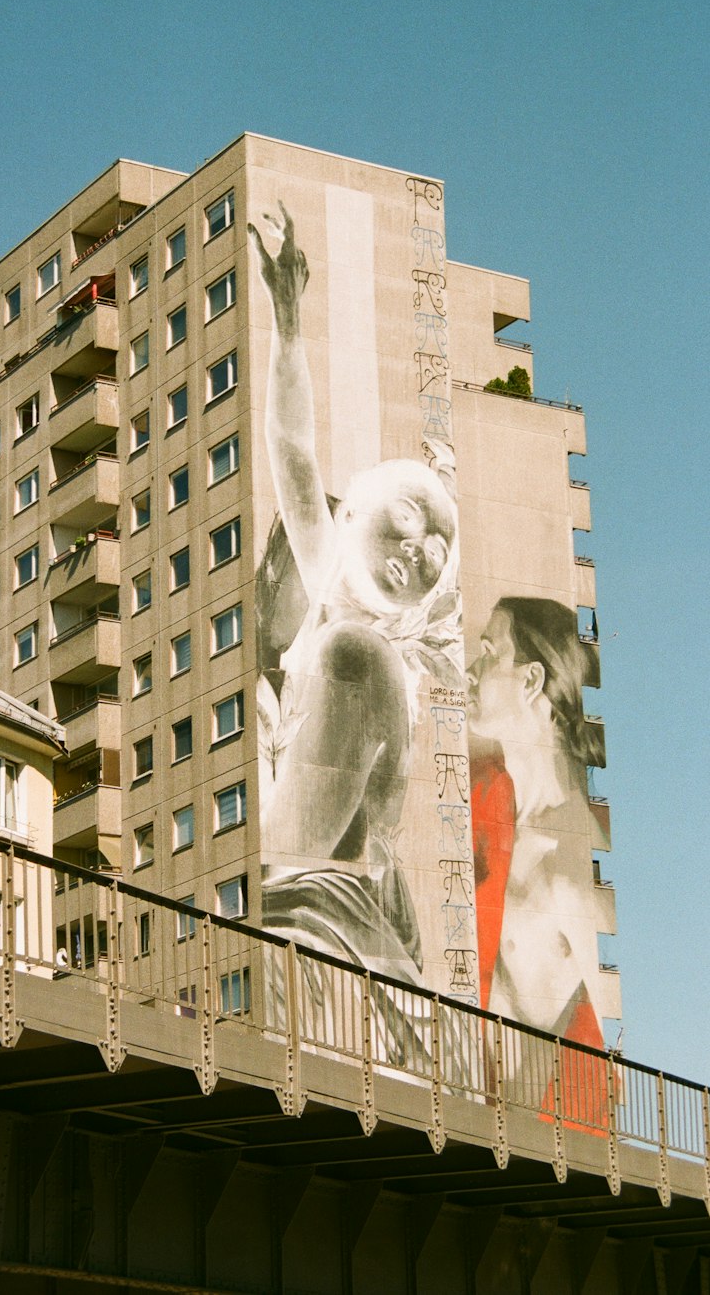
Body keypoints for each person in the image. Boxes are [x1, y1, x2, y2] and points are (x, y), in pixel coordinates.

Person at [248, 204, 461, 984]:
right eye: (410, 523)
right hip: (333, 904)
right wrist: (289, 320)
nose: (416, 547)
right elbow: (293, 452)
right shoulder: (333, 606)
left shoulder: (361, 653)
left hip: (328, 903)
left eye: (431, 552)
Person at [467, 597, 606, 1048]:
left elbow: (611, 1047)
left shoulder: (571, 865)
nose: (470, 669)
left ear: (531, 680)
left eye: (489, 653)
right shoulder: (493, 813)